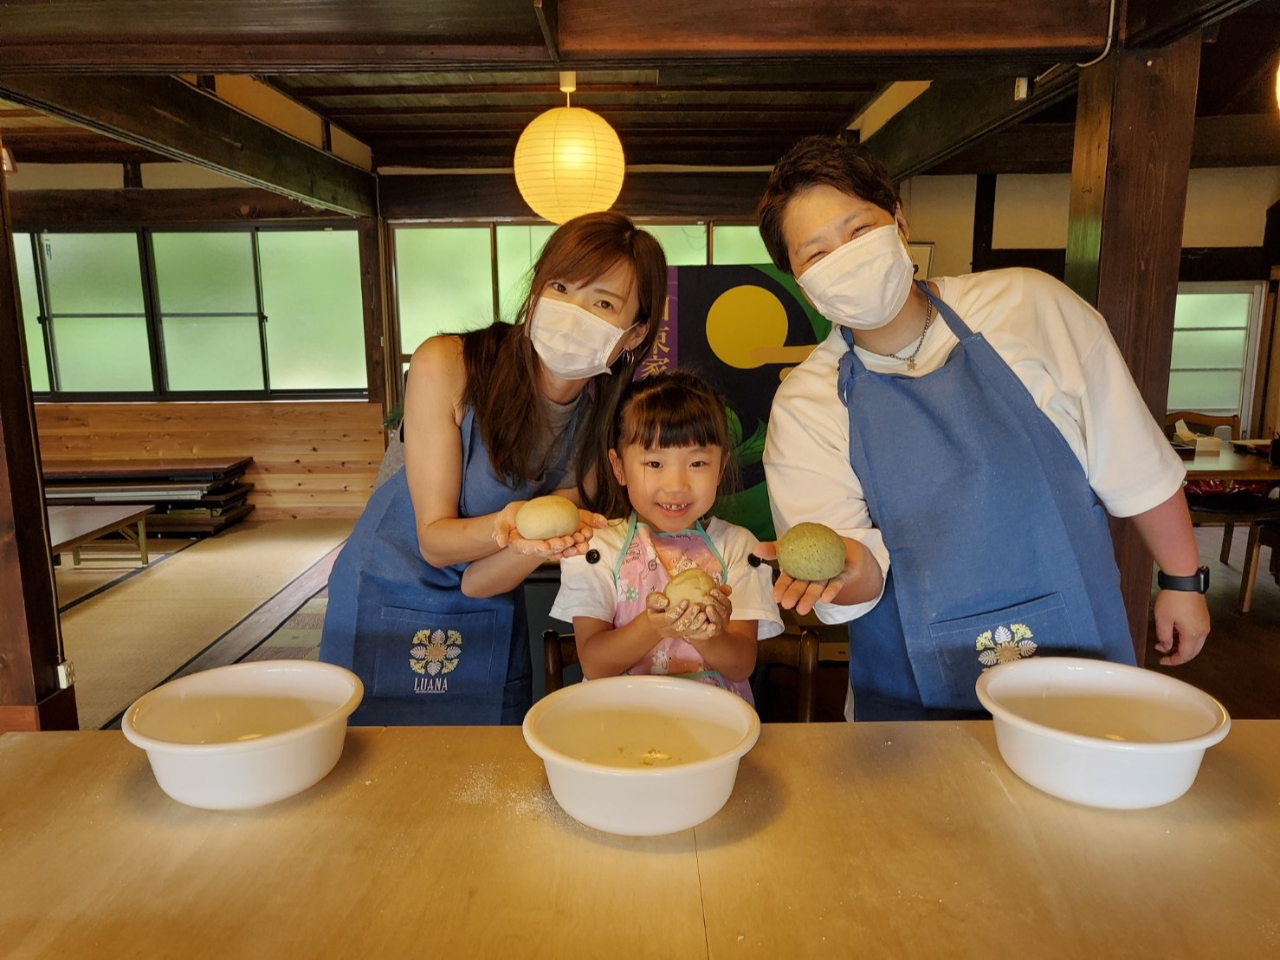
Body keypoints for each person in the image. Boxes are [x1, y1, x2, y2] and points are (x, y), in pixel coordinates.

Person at [754, 135, 1210, 722]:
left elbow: (1133, 456)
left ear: (898, 219)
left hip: (1076, 646)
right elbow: (859, 576)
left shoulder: (1027, 304)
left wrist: (1182, 581)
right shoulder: (806, 403)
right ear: (799, 280)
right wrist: (845, 566)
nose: (843, 257)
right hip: (915, 683)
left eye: (859, 230)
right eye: (815, 254)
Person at [320, 213, 668, 725]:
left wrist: (542, 542)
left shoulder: (599, 436)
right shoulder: (450, 366)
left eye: (602, 303)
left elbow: (481, 579)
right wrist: (512, 523)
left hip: (483, 603)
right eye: (560, 286)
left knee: (487, 765)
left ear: (634, 335)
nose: (572, 312)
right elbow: (435, 540)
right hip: (384, 593)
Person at [526, 371, 784, 703]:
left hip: (712, 725)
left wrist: (706, 635)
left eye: (698, 462)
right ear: (619, 468)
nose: (676, 485)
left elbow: (741, 666)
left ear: (721, 467)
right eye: (654, 463)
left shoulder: (740, 547)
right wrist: (655, 626)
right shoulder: (596, 548)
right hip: (621, 725)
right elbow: (594, 661)